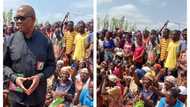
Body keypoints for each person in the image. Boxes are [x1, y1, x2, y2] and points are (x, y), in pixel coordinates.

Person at [3, 5, 56, 107]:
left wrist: (40, 76)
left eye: (22, 18)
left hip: (37, 96)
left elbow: (52, 66)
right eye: (16, 18)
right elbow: (4, 65)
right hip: (16, 97)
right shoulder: (10, 40)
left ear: (33, 20)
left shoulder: (45, 42)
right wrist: (14, 78)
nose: (18, 21)